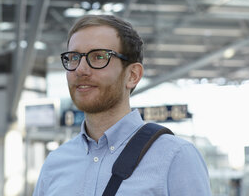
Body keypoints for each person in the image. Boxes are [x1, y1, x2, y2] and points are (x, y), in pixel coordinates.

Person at [33, 14, 211, 196]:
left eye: (99, 57)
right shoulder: (55, 163)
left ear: (133, 75)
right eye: (73, 57)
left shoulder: (175, 157)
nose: (80, 69)